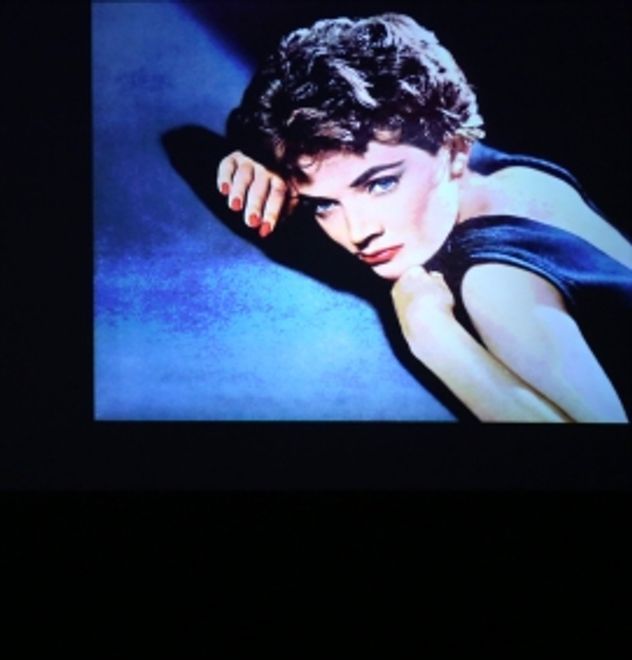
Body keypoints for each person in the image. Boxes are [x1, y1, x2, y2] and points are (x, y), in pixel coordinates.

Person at [215, 13, 631, 422]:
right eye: (323, 204)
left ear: (453, 149)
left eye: (380, 185)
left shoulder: (496, 285)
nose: (359, 232)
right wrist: (261, 156)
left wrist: (436, 340)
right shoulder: (508, 177)